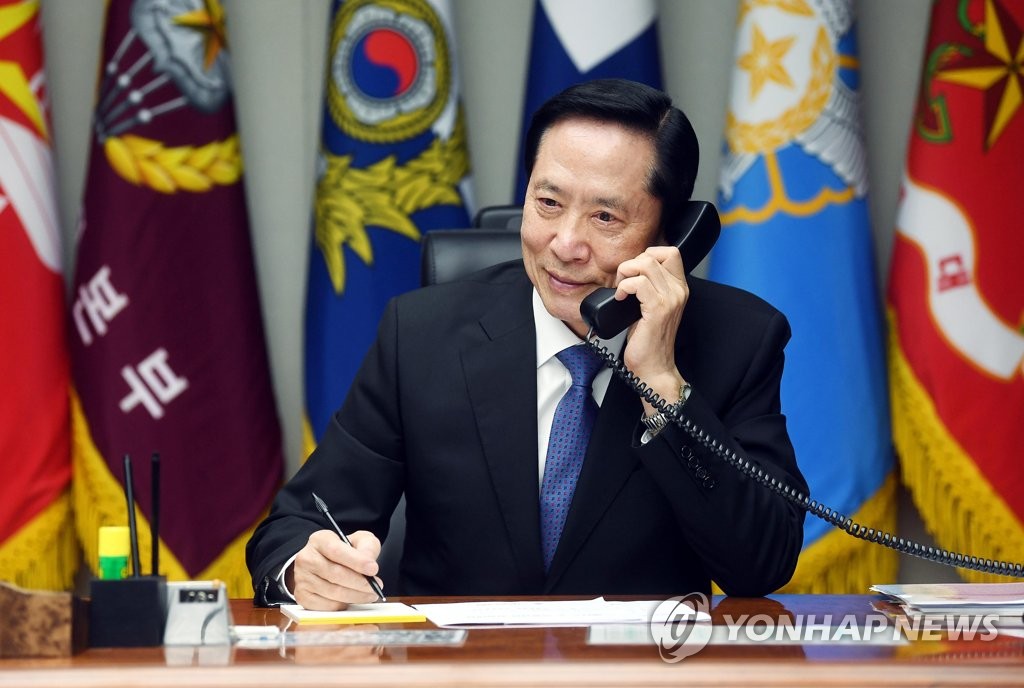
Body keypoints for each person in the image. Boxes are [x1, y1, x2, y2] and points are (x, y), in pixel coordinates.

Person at [247, 79, 807, 609]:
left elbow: (762, 564)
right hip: (460, 665)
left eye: (605, 216)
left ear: (671, 235)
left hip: (644, 664)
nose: (565, 244)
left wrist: (661, 384)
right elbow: (294, 526)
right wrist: (305, 568)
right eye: (548, 203)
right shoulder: (421, 335)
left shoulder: (736, 339)